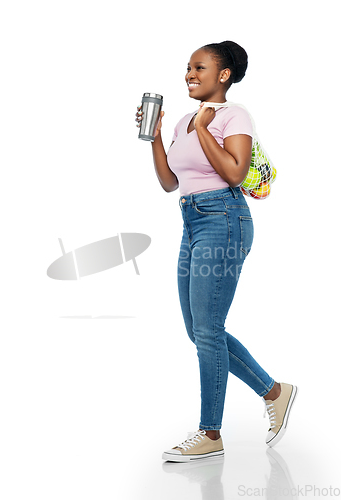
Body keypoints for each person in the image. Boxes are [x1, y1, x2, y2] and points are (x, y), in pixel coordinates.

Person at [135, 41, 297, 463]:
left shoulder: (232, 115)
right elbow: (170, 182)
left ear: (223, 75)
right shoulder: (184, 120)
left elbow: (234, 171)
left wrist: (205, 129)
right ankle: (276, 393)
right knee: (199, 330)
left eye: (199, 67)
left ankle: (211, 433)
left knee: (208, 330)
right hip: (191, 221)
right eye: (187, 67)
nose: (189, 74)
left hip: (224, 220)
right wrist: (156, 137)